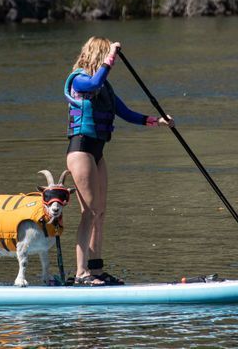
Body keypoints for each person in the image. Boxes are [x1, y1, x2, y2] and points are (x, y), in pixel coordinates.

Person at [65, 37, 175, 286]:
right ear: (98, 54)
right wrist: (112, 56)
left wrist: (157, 121)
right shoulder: (79, 79)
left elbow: (126, 113)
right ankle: (81, 274)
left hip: (98, 152)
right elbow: (94, 81)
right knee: (89, 212)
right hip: (80, 150)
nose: (109, 61)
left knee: (100, 212)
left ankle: (96, 270)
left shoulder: (105, 89)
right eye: (106, 55)